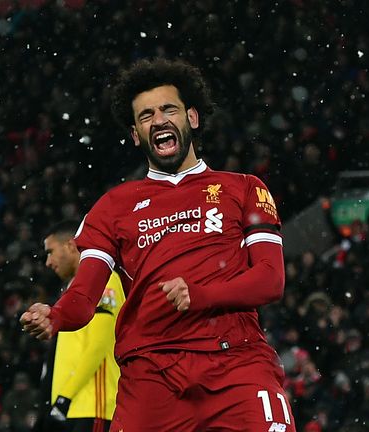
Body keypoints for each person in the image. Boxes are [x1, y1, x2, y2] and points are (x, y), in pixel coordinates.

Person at [21, 58, 296, 431]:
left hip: (237, 364)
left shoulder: (244, 188)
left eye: (169, 109)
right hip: (151, 376)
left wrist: (199, 295)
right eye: (146, 115)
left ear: (192, 118)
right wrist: (54, 317)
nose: (159, 120)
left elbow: (269, 279)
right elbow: (84, 297)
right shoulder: (113, 206)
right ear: (136, 135)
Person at [38, 220, 125, 432]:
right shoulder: (73, 289)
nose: (48, 262)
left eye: (51, 252)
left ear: (70, 245)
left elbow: (99, 344)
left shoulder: (103, 282)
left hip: (94, 403)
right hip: (75, 406)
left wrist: (65, 396)